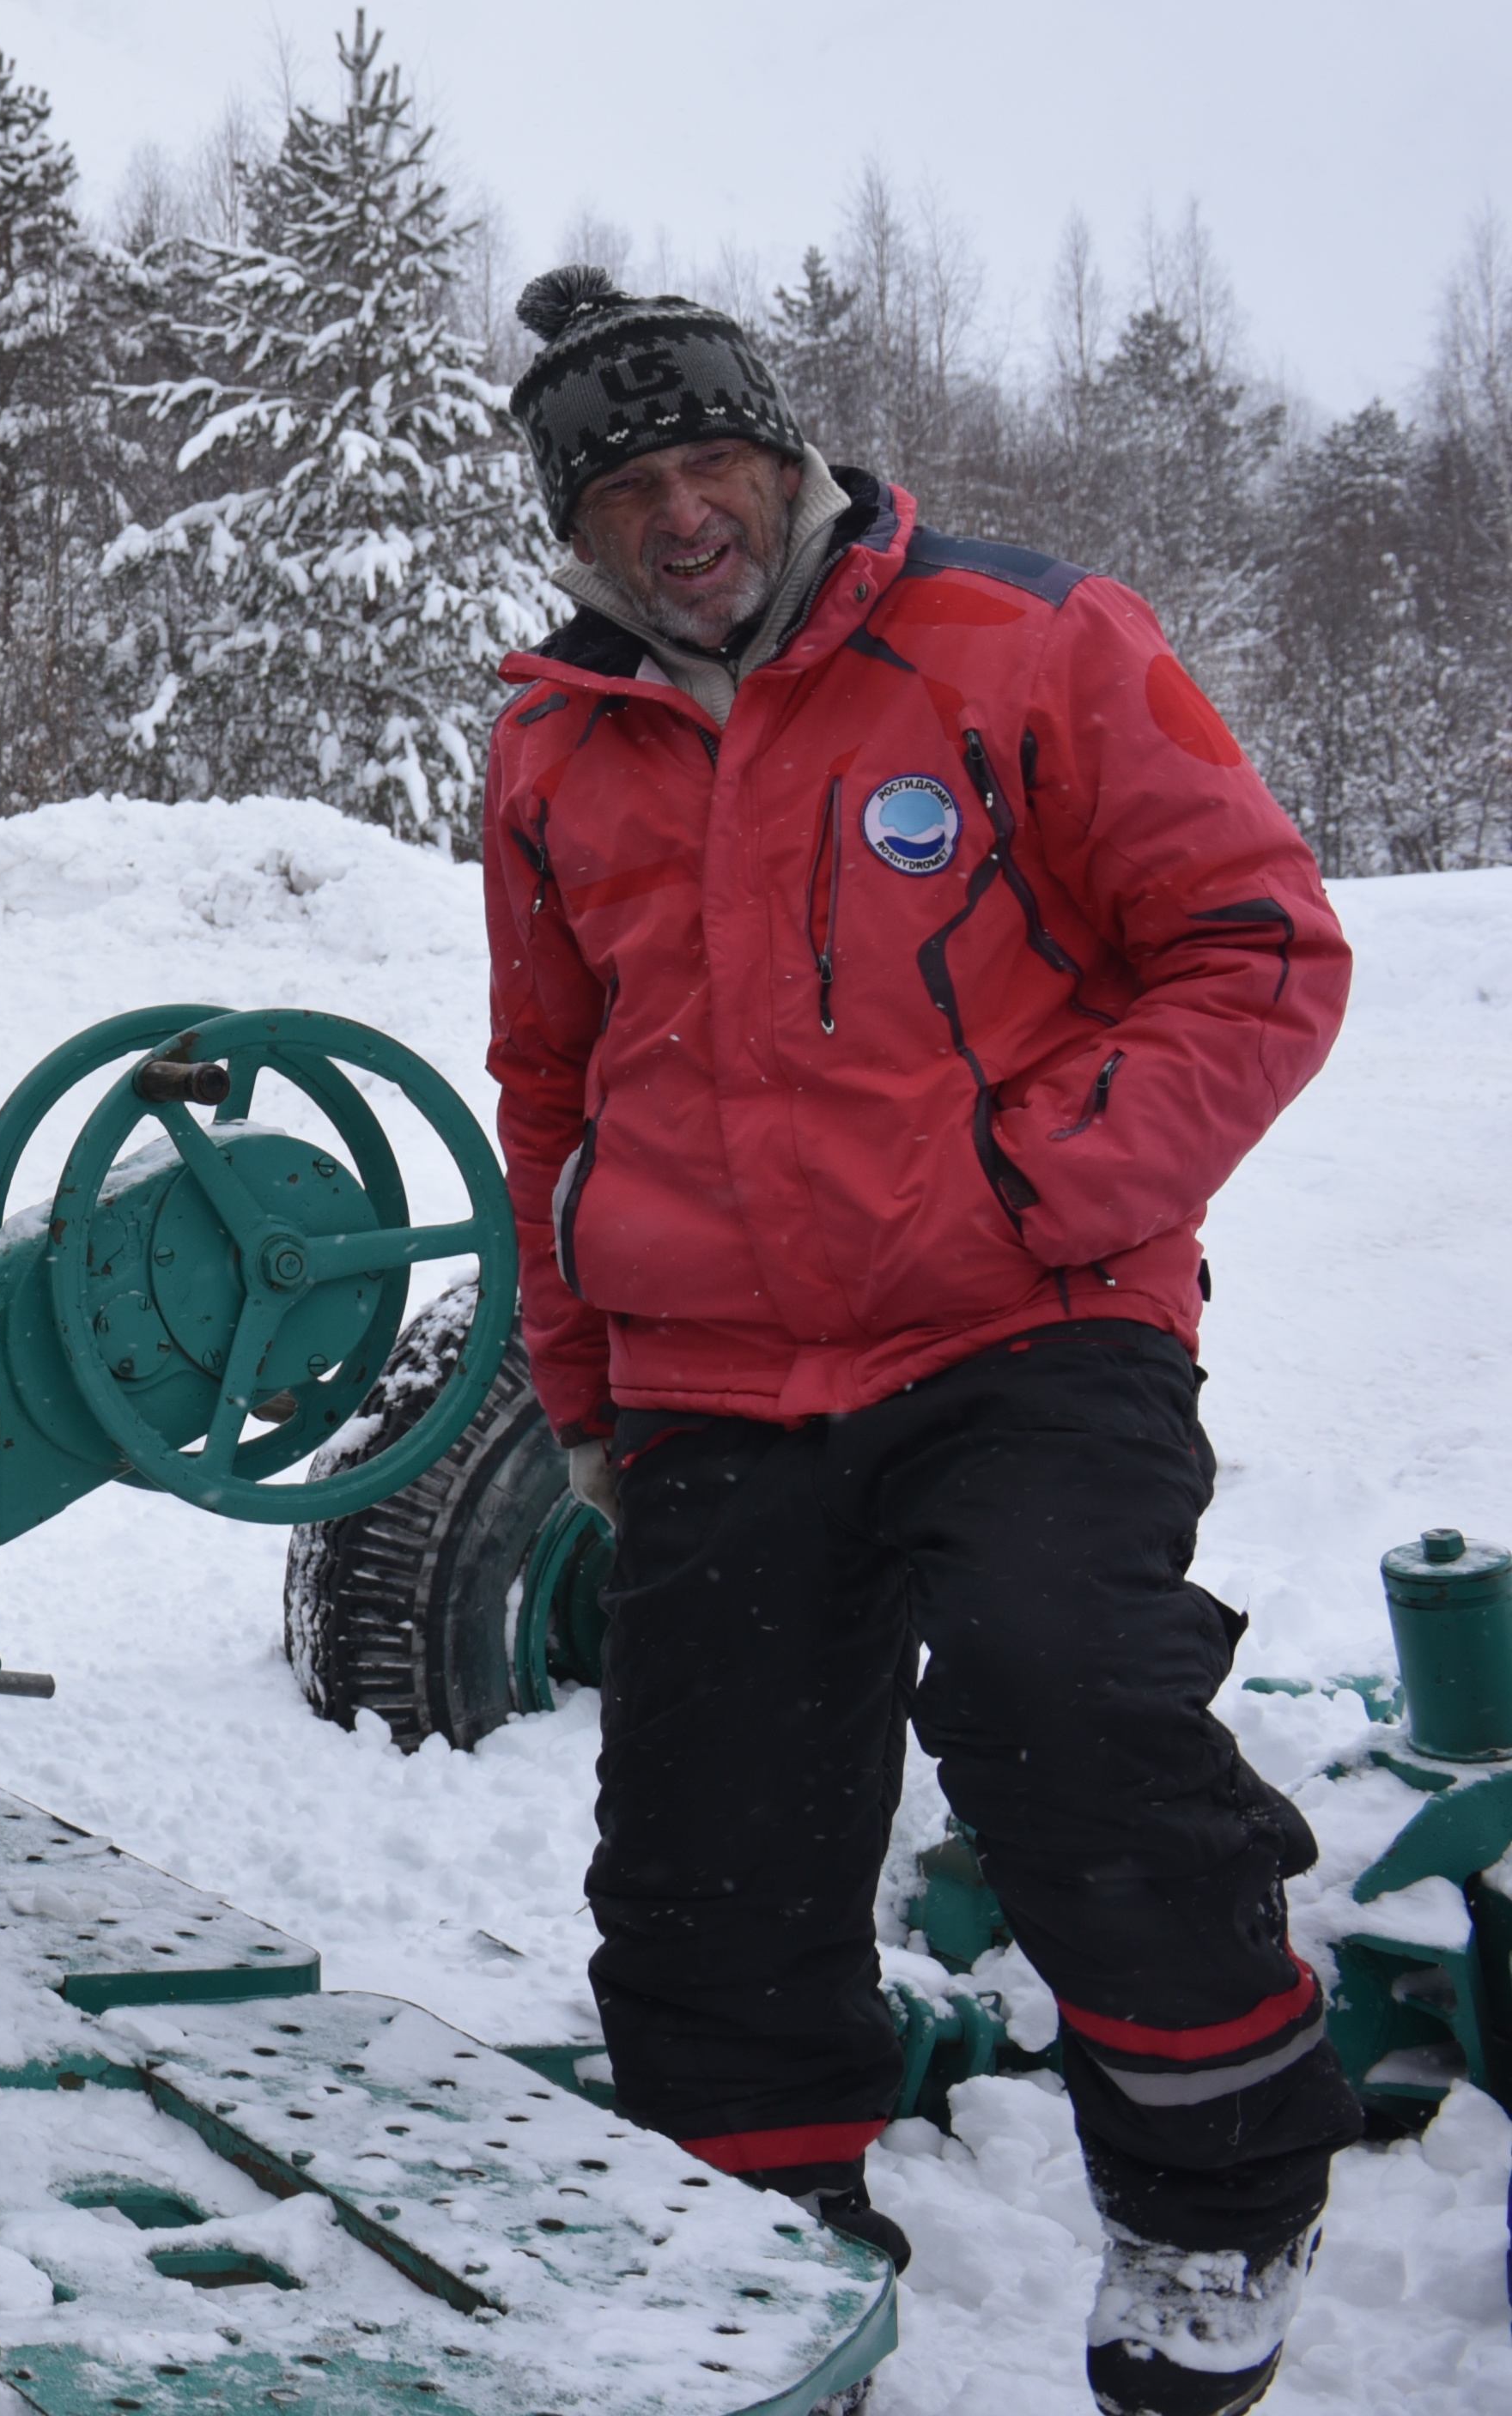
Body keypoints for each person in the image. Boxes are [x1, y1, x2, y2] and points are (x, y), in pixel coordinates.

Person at [481, 265, 1360, 2416]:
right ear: (570, 534)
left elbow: (1254, 948)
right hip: (711, 1373)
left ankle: (1215, 2199)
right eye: (623, 495)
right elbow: (549, 1087)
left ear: (785, 456)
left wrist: (1031, 1188)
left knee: (1062, 1705)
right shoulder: (552, 746)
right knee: (700, 1837)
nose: (679, 517)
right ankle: (756, 2247)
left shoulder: (1021, 640)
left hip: (1026, 1331)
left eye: (710, 464)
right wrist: (578, 1387)